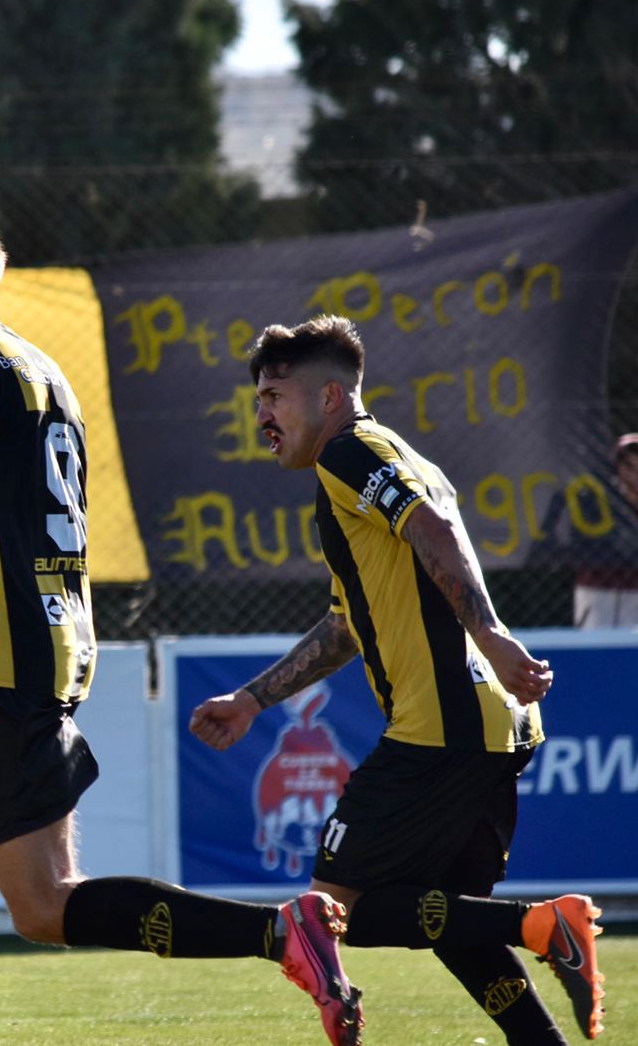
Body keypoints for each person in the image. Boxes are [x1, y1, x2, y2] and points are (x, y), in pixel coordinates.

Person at [0, 215, 364, 1046]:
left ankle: (280, 934)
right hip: (16, 655)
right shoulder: (42, 369)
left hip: (12, 667)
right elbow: (19, 531)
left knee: (45, 905)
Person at [190, 316, 606, 1043]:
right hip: (488, 724)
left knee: (330, 912)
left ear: (328, 397)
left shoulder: (352, 453)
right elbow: (350, 623)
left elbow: (435, 532)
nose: (261, 414)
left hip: (442, 727)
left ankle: (546, 925)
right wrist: (255, 698)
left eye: (275, 396)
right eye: (257, 399)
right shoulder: (378, 462)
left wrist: (491, 635)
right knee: (450, 919)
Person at [571, 432, 638, 627]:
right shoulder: (595, 501)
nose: (635, 472)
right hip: (597, 591)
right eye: (629, 465)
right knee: (592, 652)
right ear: (617, 467)